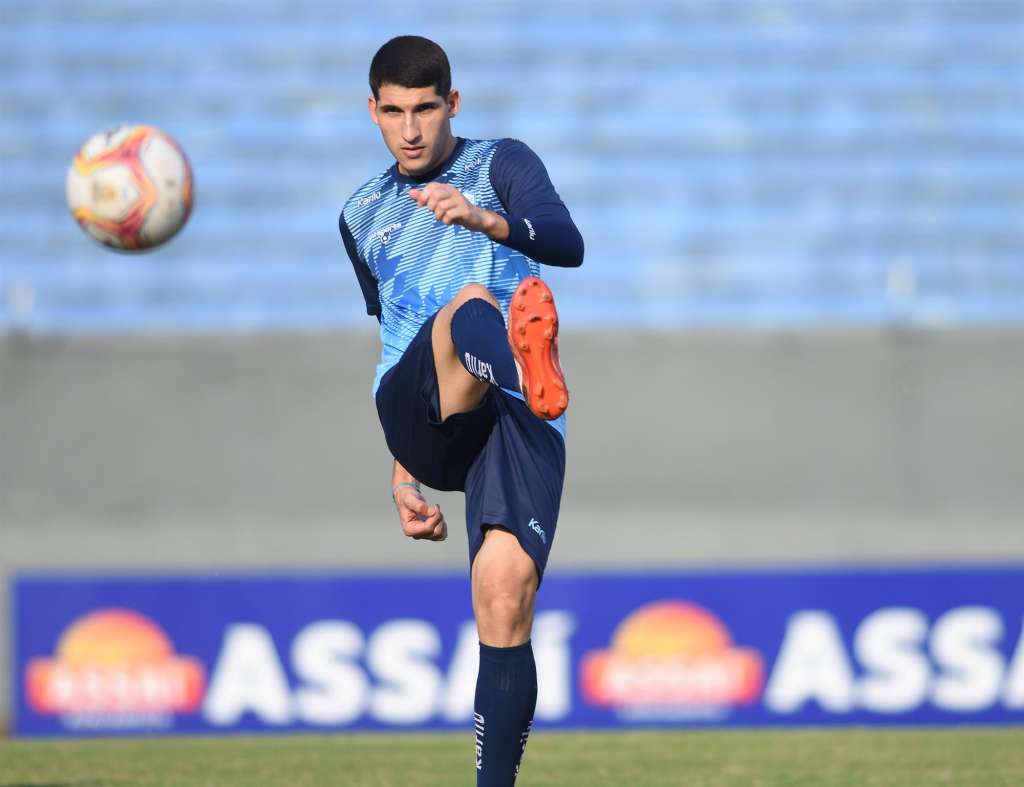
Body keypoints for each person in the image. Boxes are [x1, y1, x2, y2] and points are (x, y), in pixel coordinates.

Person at [338, 35, 583, 786]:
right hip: (427, 404)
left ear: (453, 103)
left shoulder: (501, 164)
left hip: (514, 415)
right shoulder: (362, 214)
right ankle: (520, 362)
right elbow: (394, 332)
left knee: (504, 596)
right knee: (471, 303)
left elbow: (567, 243)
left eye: (425, 109)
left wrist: (484, 220)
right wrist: (402, 470)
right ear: (373, 111)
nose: (410, 129)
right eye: (393, 111)